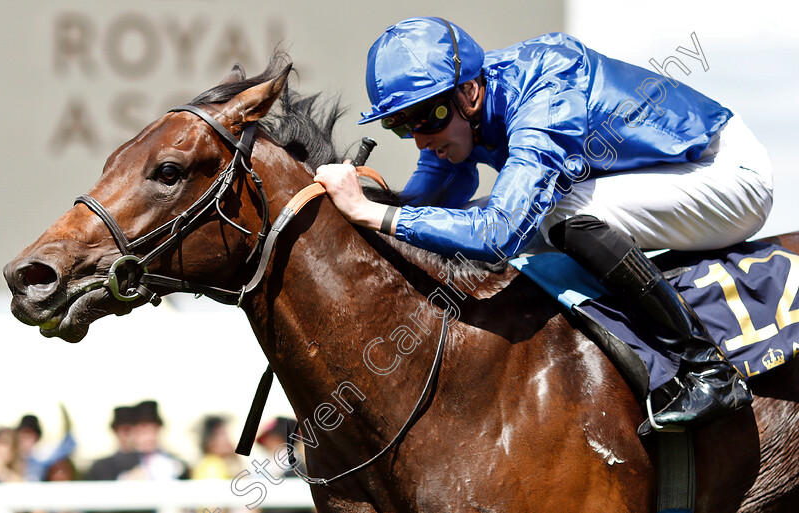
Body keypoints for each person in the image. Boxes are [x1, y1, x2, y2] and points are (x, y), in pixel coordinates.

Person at [314, 17, 773, 428]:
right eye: (401, 125)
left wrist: (370, 211)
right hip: (677, 176)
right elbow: (423, 207)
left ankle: (707, 368)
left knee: (554, 212)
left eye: (426, 118)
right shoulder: (462, 107)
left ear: (468, 93)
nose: (419, 140)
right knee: (492, 217)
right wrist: (352, 202)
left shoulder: (545, 92)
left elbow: (499, 234)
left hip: (726, 175)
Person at [119, 400, 188, 481]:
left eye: (150, 431)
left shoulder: (174, 462)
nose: (146, 437)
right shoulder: (118, 463)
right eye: (140, 432)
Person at [16, 409, 76, 481]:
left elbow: (67, 446)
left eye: (31, 434)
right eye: (24, 434)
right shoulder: (11, 457)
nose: (28, 439)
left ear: (37, 436)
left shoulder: (41, 458)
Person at [85, 406, 140, 481]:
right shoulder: (101, 467)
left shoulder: (147, 462)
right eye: (120, 429)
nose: (125, 435)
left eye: (128, 429)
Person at [191, 415, 242, 480]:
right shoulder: (211, 468)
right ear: (210, 441)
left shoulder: (222, 463)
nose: (228, 439)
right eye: (223, 434)